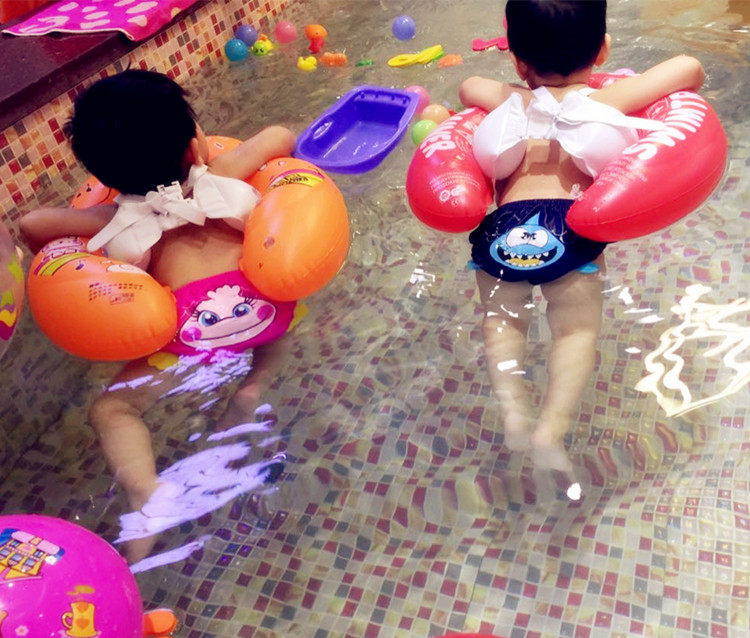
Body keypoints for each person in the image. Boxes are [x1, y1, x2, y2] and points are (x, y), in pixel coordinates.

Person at [20, 69, 298, 561]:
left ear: (106, 177)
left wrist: (96, 210)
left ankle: (147, 490)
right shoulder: (224, 171)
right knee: (273, 320)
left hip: (192, 338)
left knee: (112, 410)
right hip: (263, 310)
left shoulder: (109, 217)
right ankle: (255, 386)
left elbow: (32, 224)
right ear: (194, 146)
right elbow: (281, 135)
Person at [458, 0, 704, 480]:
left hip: (503, 228)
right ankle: (550, 430)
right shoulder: (603, 101)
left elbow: (467, 85)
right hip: (568, 228)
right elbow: (688, 69)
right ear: (603, 49)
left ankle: (513, 411)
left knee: (502, 321)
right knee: (574, 331)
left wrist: (512, 87)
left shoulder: (513, 100)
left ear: (517, 61)